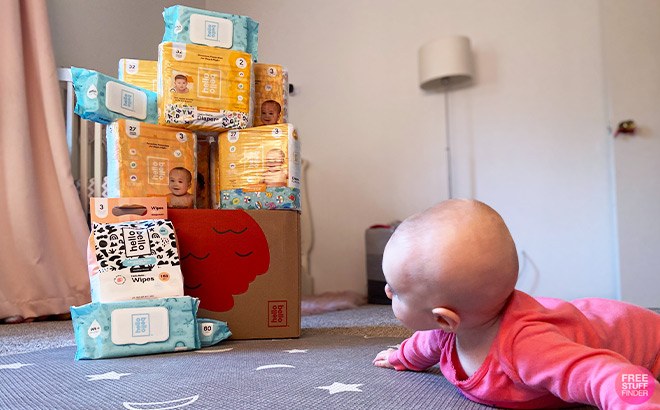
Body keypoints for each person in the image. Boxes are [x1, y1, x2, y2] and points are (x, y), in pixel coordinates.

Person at [373, 199, 660, 409]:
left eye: (396, 291)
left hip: (643, 338)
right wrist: (402, 358)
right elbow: (425, 345)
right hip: (579, 318)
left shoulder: (529, 349)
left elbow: (612, 376)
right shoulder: (445, 333)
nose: (386, 292)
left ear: (445, 319)